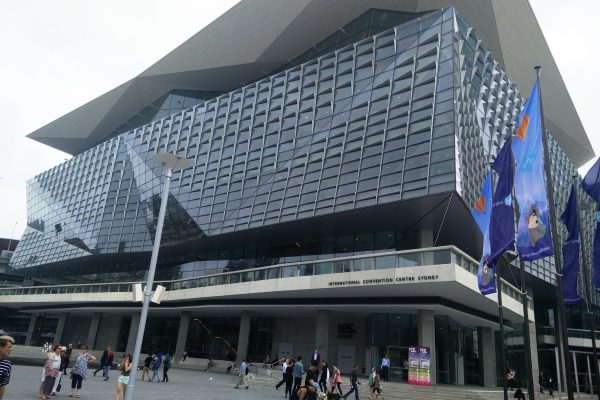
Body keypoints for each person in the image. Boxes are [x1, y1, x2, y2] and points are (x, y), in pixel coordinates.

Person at [0, 335, 15, 400]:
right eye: (9, 347)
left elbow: (2, 385)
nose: (10, 350)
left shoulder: (7, 364)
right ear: (0, 348)